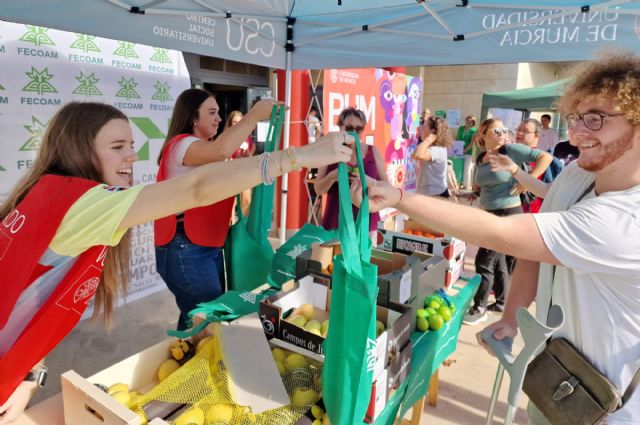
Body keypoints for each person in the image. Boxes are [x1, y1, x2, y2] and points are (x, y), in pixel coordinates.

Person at [0, 101, 353, 423]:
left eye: (131, 146)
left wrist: (30, 375)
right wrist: (296, 158)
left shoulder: (54, 195)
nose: (132, 158)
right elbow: (196, 189)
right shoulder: (81, 204)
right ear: (78, 149)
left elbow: (34, 304)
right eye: (117, 147)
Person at [351, 53, 640, 424]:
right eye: (576, 117)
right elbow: (535, 253)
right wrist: (512, 316)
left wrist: (400, 198)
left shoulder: (627, 220)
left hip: (611, 407)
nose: (579, 132)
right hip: (556, 379)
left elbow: (507, 235)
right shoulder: (577, 177)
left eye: (596, 119)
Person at [464, 118, 552, 324]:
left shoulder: (510, 150)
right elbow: (487, 183)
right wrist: (475, 193)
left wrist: (526, 181)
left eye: (504, 130)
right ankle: (501, 301)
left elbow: (545, 157)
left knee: (484, 261)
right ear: (482, 134)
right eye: (496, 131)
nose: (502, 133)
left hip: (508, 212)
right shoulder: (482, 157)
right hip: (488, 212)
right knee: (499, 262)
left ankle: (480, 307)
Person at [314, 107, 386, 241]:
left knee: (363, 261)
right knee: (333, 262)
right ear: (340, 128)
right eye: (349, 128)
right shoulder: (330, 152)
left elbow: (387, 186)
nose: (354, 133)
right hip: (336, 223)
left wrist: (370, 182)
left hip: (366, 223)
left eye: (358, 129)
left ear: (363, 129)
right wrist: (332, 177)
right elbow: (318, 189)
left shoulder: (373, 152)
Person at [413, 116, 453, 197]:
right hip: (430, 193)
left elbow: (417, 155)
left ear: (432, 131)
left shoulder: (437, 149)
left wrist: (429, 139)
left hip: (434, 195)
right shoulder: (434, 148)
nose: (421, 129)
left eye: (424, 127)